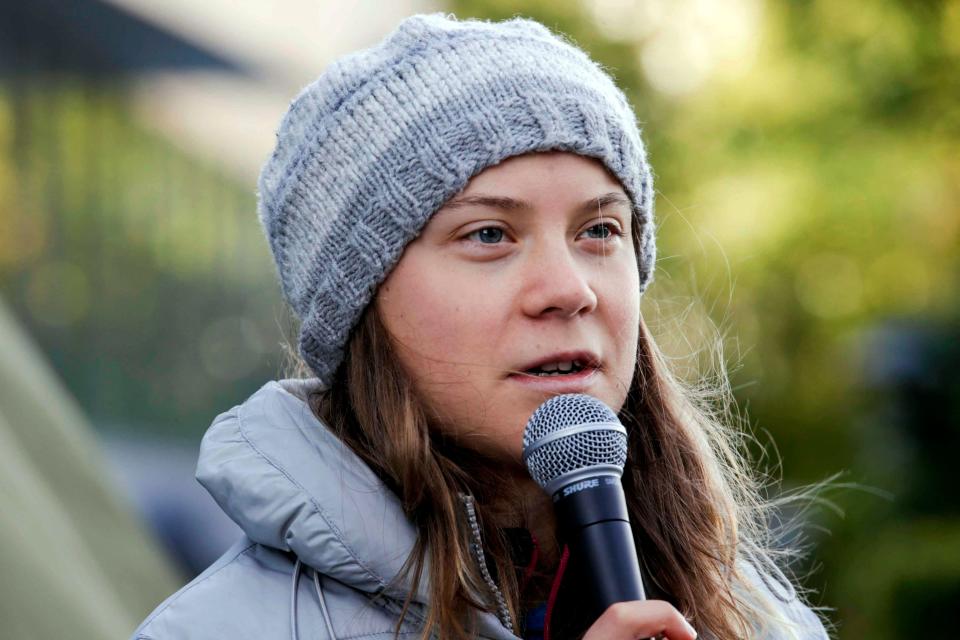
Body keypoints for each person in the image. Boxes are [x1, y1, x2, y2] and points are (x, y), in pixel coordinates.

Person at [132, 13, 829, 640]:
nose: (567, 289)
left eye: (600, 229)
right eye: (490, 234)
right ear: (361, 302)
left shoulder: (758, 618)